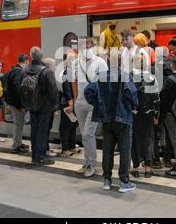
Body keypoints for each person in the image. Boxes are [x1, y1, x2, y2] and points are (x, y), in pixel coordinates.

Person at [84, 51, 138, 192]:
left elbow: (88, 92)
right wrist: (133, 106)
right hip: (124, 117)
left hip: (106, 118)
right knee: (125, 150)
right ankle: (124, 181)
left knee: (107, 149)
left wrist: (98, 104)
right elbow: (130, 93)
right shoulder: (125, 75)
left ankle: (107, 180)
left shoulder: (100, 76)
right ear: (121, 62)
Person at [73, 38, 108, 177]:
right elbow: (73, 81)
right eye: (82, 47)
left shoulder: (100, 62)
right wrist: (75, 99)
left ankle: (91, 164)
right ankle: (87, 161)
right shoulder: (76, 62)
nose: (85, 50)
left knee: (88, 134)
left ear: (93, 47)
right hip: (80, 103)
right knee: (84, 135)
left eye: (87, 47)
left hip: (94, 104)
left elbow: (106, 84)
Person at [130, 53, 160, 179]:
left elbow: (126, 96)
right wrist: (156, 115)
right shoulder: (151, 77)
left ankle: (135, 168)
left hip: (133, 114)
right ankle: (147, 169)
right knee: (148, 140)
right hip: (147, 114)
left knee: (134, 140)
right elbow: (156, 99)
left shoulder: (129, 77)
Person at [27, 47, 58, 166]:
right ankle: (40, 157)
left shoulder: (26, 69)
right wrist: (55, 106)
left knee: (34, 131)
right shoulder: (46, 71)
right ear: (42, 56)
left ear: (31, 56)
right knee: (42, 131)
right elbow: (53, 90)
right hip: (45, 107)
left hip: (31, 105)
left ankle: (34, 155)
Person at [3, 54, 30, 153]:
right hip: (16, 104)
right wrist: (21, 105)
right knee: (18, 123)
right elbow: (18, 90)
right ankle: (16, 145)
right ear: (26, 61)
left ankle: (18, 142)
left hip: (12, 102)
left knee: (19, 123)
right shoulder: (19, 72)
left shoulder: (14, 70)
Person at [59, 52, 78, 157]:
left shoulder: (72, 72)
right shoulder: (67, 73)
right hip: (67, 103)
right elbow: (67, 89)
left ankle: (72, 146)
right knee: (66, 126)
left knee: (73, 124)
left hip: (72, 102)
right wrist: (71, 103)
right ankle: (65, 149)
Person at [43, 57, 59, 158]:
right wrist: (55, 108)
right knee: (46, 129)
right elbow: (53, 93)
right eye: (54, 65)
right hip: (47, 108)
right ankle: (45, 149)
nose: (56, 67)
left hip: (44, 107)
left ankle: (45, 148)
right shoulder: (49, 76)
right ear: (49, 66)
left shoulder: (42, 74)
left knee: (44, 130)